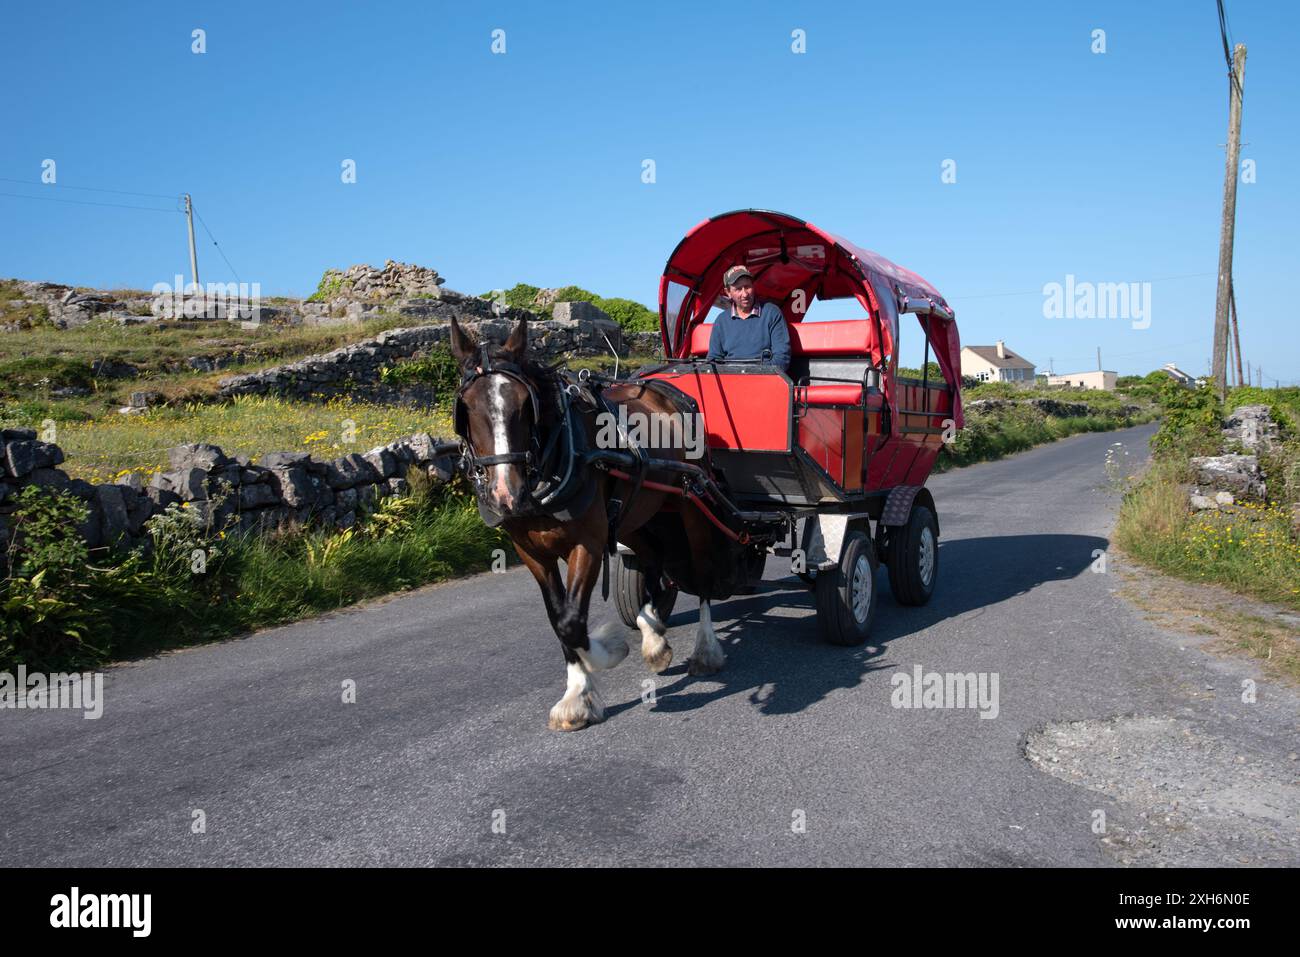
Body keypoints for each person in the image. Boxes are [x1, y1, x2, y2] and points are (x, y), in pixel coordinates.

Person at [706, 265, 791, 372]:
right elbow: (713, 360)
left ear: (753, 286)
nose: (744, 294)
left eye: (747, 287)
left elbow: (781, 358)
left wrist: (754, 375)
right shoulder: (721, 321)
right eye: (738, 289)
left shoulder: (772, 312)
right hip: (730, 380)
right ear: (728, 292)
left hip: (765, 380)